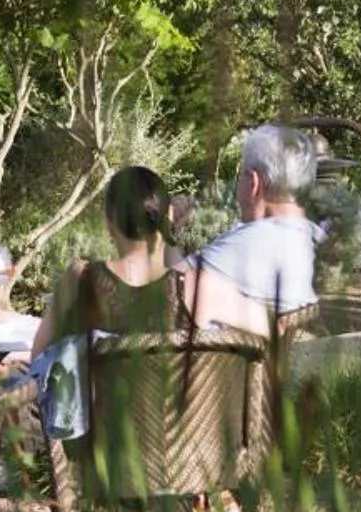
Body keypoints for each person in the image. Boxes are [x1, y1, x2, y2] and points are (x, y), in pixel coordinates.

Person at [34, 166, 204, 352]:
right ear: (169, 215)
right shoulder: (196, 286)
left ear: (109, 226)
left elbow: (38, 356)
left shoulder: (80, 278)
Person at [184, 124, 323, 331]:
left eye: (241, 175)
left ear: (254, 183)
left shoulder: (256, 242)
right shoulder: (311, 236)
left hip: (204, 361)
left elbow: (164, 288)